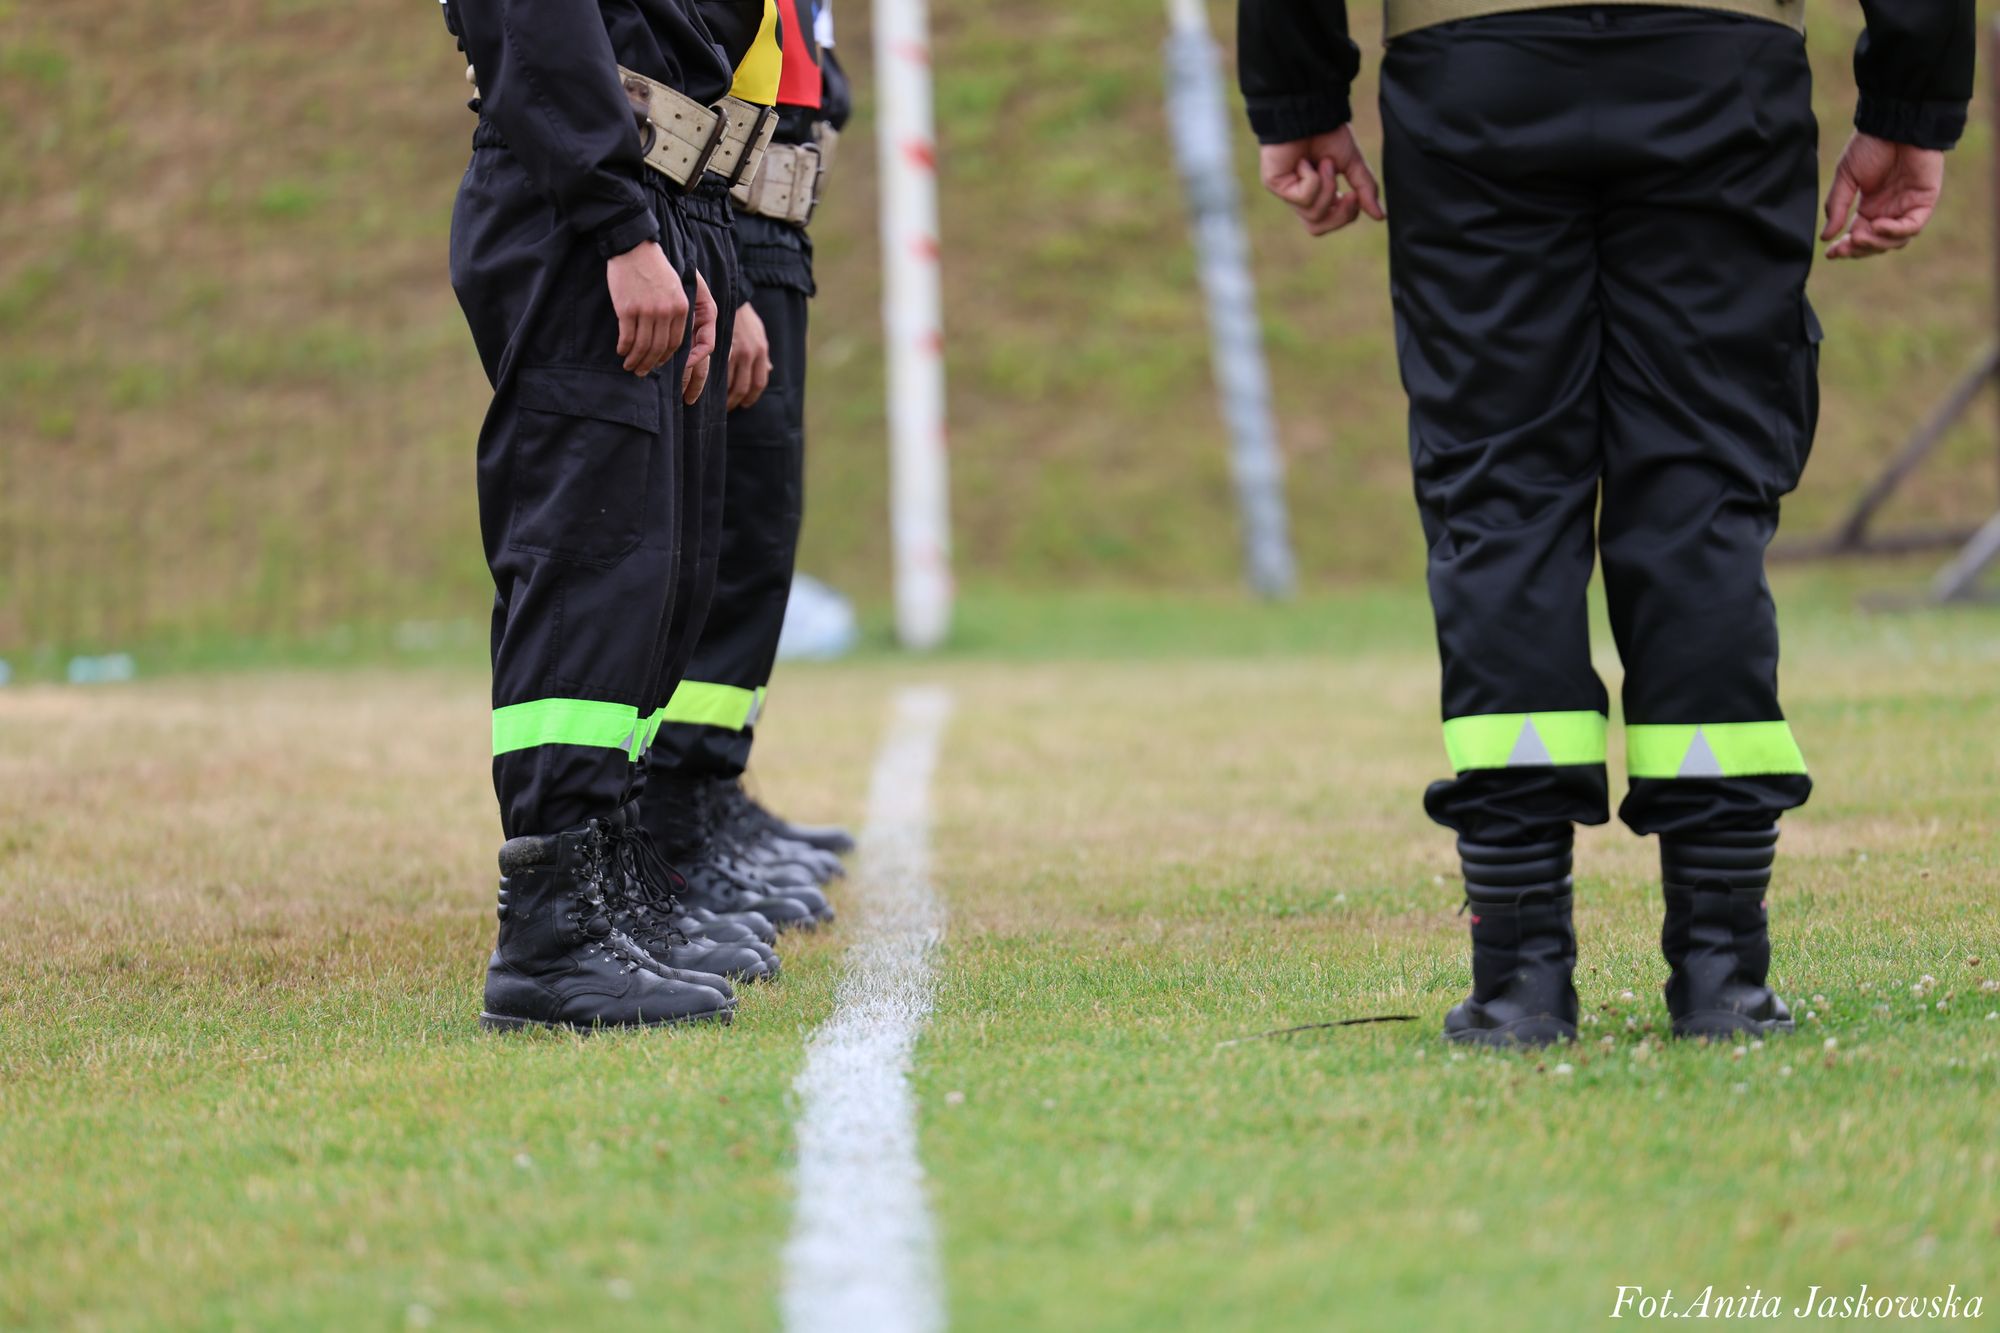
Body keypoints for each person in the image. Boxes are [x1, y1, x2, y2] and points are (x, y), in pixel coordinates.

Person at [1238, 0, 1974, 1044]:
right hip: (1714, 63)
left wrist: (1295, 91)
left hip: (1472, 68)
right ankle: (1723, 975)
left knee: (1497, 497)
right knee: (1699, 495)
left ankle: (1518, 982)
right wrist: (1912, 96)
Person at [445, 0, 781, 1030]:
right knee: (589, 558)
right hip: (580, 205)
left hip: (644, 198)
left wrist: (679, 232)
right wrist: (616, 219)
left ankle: (611, 882)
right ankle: (550, 935)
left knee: (650, 571)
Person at [640, 1, 858, 928]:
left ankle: (708, 787)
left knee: (760, 528)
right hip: (726, 204)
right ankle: (678, 813)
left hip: (770, 210)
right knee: (723, 534)